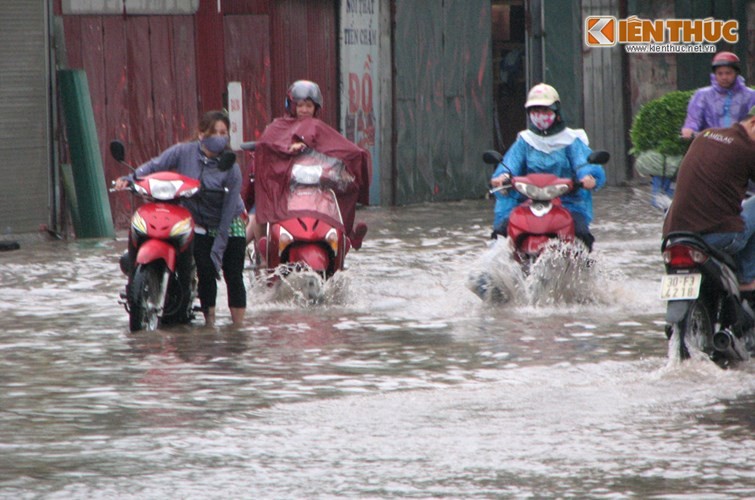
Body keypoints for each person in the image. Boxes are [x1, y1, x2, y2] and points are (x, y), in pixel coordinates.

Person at [115, 110, 247, 326]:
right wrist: (130, 178)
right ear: (202, 134)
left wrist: (219, 248)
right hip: (197, 221)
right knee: (204, 271)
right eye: (215, 133)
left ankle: (238, 330)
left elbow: (228, 210)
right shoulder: (183, 152)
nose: (220, 138)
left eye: (224, 133)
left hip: (228, 223)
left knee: (233, 275)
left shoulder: (231, 166)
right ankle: (210, 325)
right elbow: (155, 165)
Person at [249, 80, 370, 251]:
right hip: (281, 184)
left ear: (316, 108)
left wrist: (349, 163)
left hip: (316, 183)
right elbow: (267, 146)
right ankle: (262, 254)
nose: (304, 110)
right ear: (291, 106)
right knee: (261, 212)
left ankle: (347, 235)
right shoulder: (277, 127)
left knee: (338, 200)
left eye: (308, 106)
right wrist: (288, 149)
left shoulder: (320, 128)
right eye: (300, 105)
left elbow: (337, 147)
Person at [489, 83, 606, 251]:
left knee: (581, 233)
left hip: (567, 202)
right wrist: (502, 177)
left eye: (545, 110)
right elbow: (510, 164)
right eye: (535, 111)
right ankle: (496, 269)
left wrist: (588, 177)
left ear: (556, 112)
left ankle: (585, 269)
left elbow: (583, 163)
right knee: (501, 231)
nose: (540, 115)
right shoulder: (525, 141)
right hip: (528, 200)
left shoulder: (571, 140)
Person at [663, 108, 755, 291]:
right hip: (717, 237)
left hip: (674, 236)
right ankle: (747, 279)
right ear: (753, 123)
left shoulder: (705, 135)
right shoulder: (749, 150)